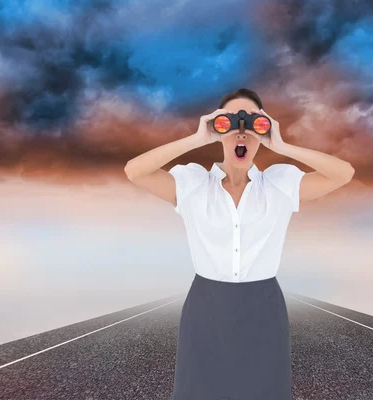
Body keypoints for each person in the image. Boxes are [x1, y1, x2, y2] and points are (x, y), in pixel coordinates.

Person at [124, 88, 355, 399]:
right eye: (230, 123)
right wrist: (197, 138)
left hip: (263, 310)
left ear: (264, 131)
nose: (241, 133)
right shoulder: (193, 184)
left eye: (253, 124)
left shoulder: (279, 184)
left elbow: (344, 173)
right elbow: (134, 171)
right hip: (205, 311)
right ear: (218, 130)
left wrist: (281, 144)